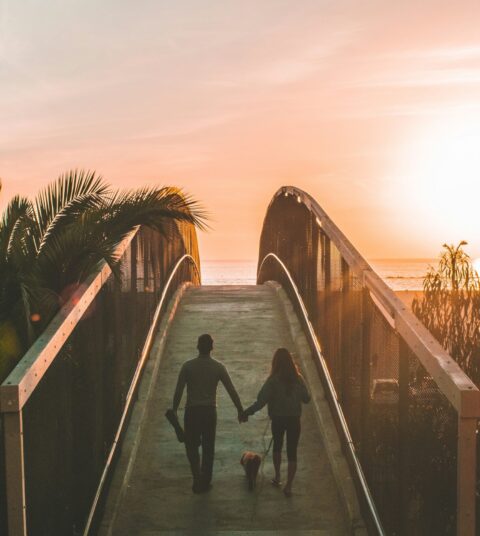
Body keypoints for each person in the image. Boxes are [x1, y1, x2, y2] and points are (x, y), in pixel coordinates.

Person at [171, 333, 244, 493]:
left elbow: (179, 391)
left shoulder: (187, 366)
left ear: (198, 347)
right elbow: (231, 390)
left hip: (192, 411)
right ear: (212, 348)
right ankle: (206, 480)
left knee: (191, 446)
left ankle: (196, 477)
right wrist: (240, 409)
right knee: (208, 447)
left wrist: (175, 410)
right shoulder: (218, 367)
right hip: (209, 411)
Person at [242, 348, 310, 497]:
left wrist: (247, 412)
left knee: (277, 447)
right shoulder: (298, 379)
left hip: (278, 419)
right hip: (294, 419)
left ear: (275, 363)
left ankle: (278, 476)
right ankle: (289, 486)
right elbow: (307, 398)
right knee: (292, 452)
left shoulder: (272, 381)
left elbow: (261, 401)